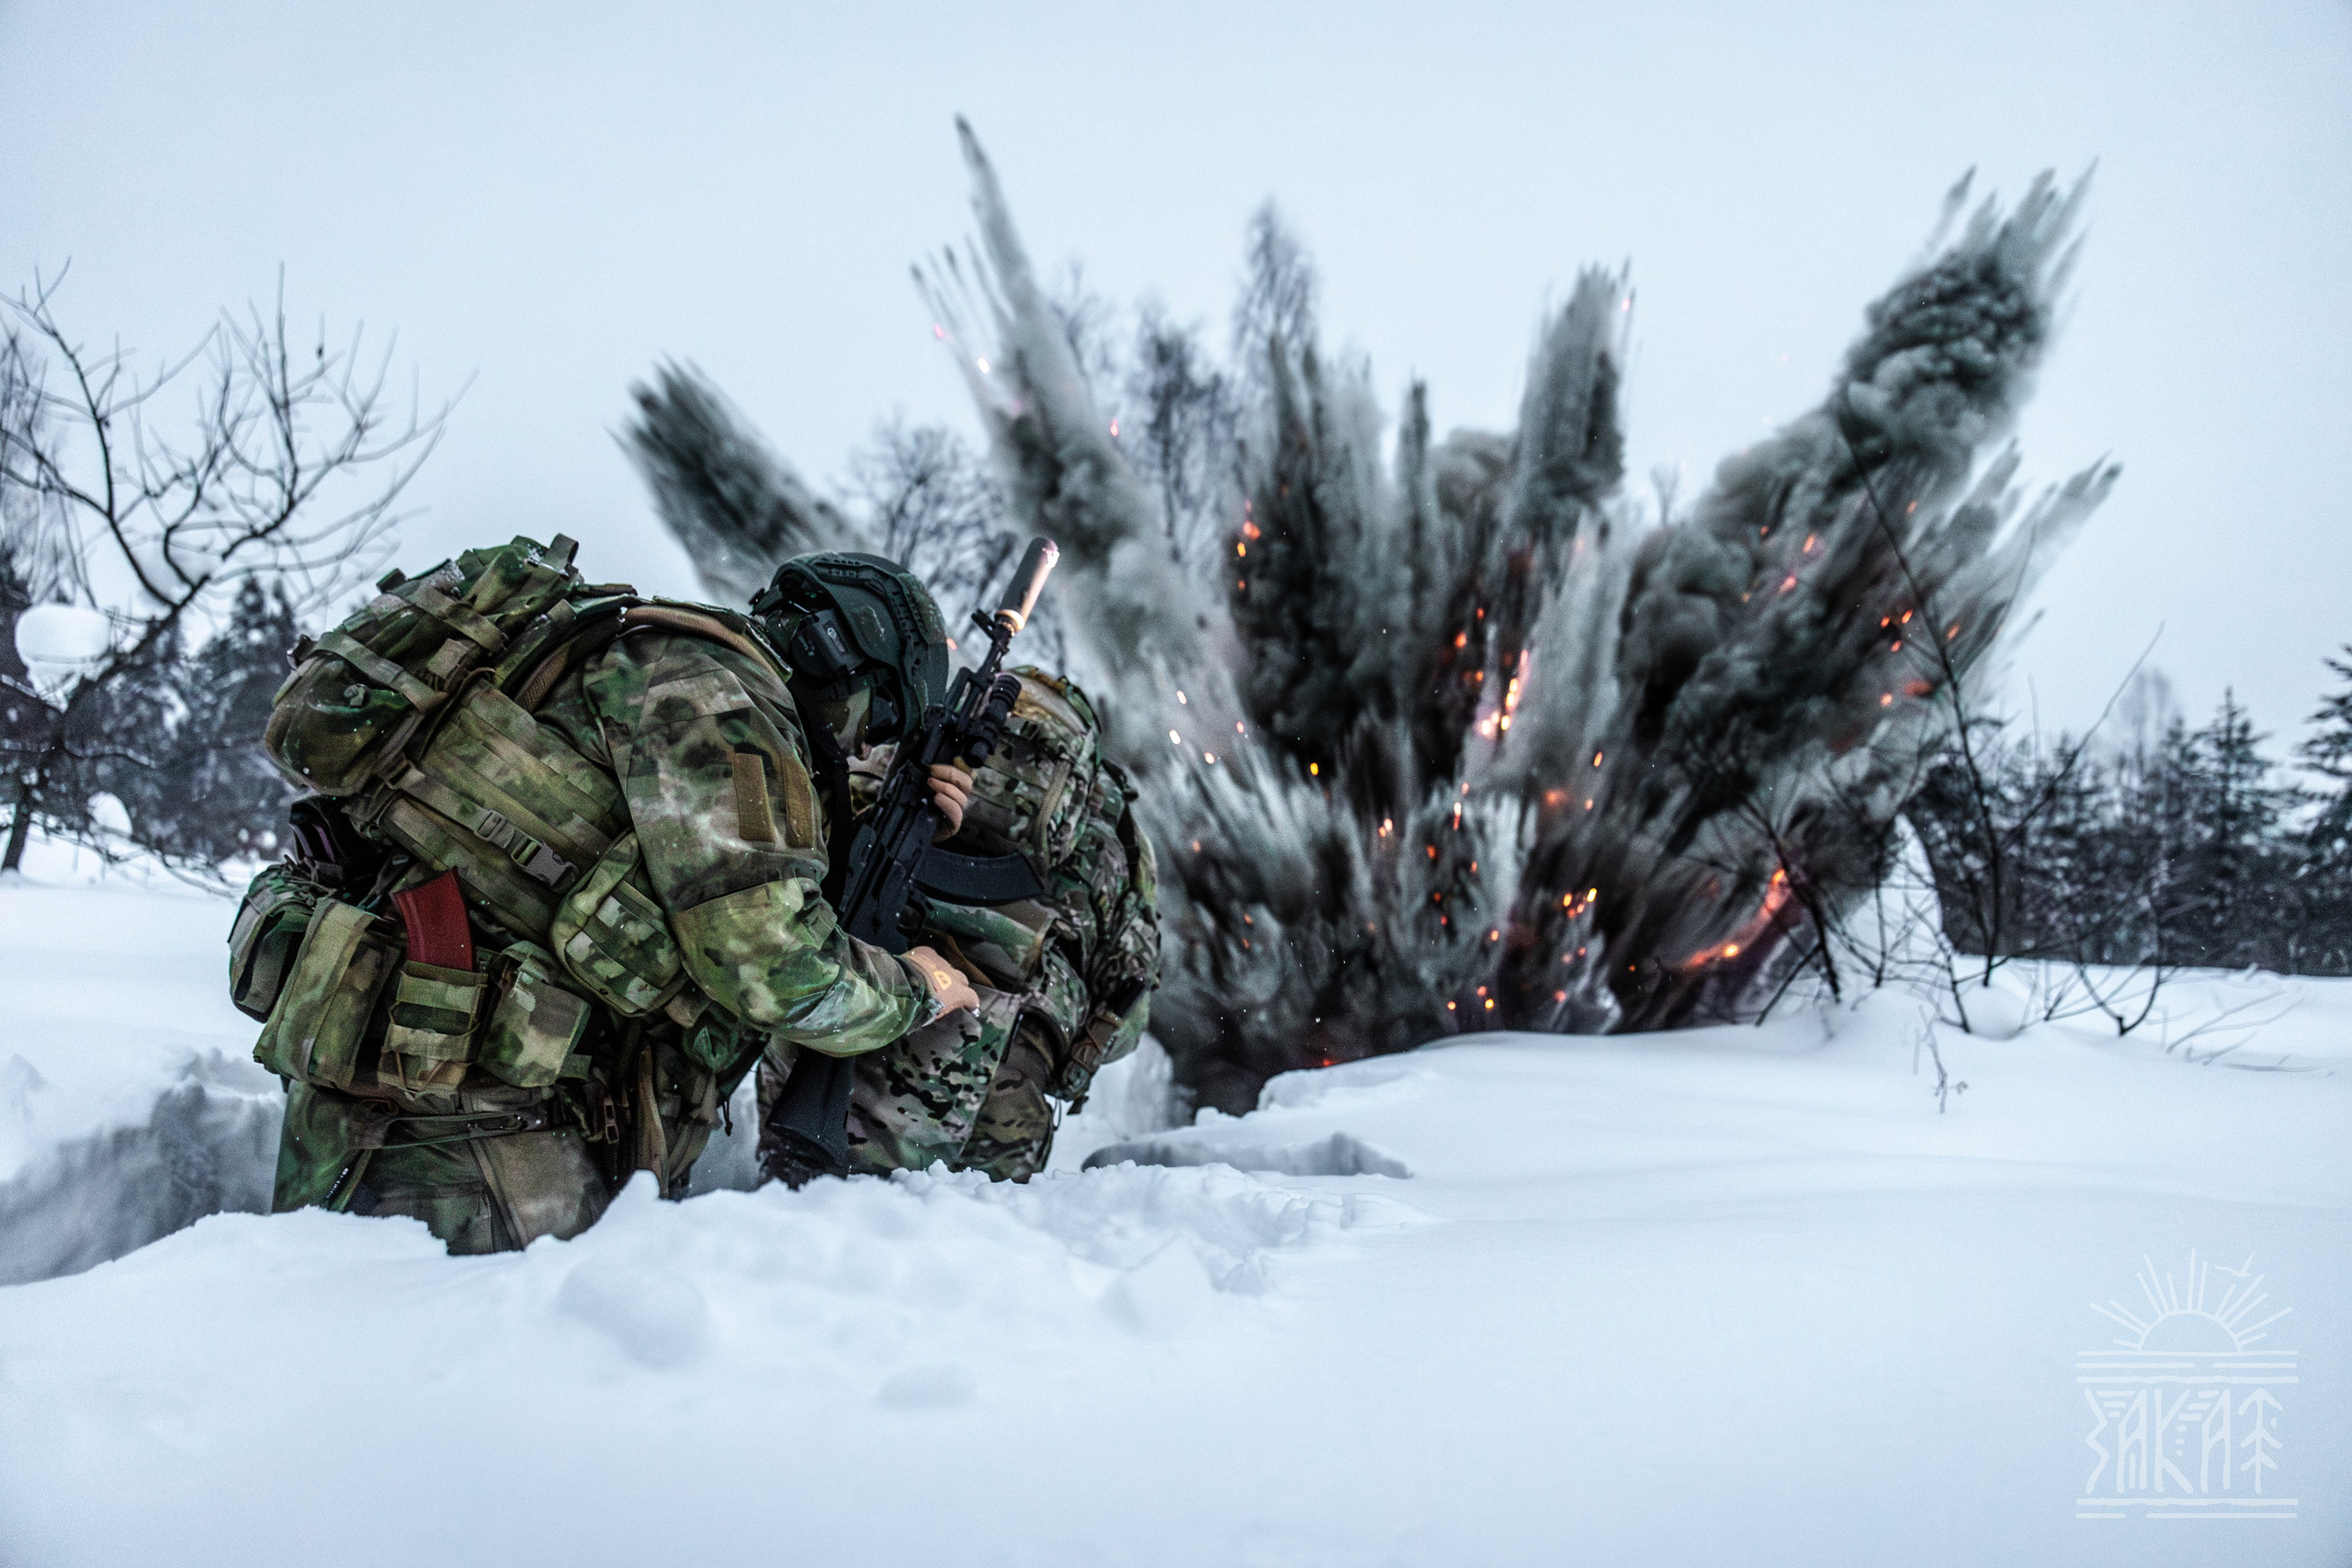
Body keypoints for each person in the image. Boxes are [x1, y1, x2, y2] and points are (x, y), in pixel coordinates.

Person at [232, 535, 976, 1253]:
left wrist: (879, 817)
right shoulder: (720, 702)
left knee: (340, 1326)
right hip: (479, 1142)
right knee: (454, 1340)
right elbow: (773, 965)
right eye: (879, 718)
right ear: (840, 656)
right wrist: (919, 986)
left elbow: (666, 848)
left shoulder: (653, 660)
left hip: (411, 1094)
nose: (862, 745)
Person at [758, 665, 1159, 1184]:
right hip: (1000, 1094)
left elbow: (804, 856)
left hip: (844, 1019)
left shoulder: (901, 745)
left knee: (788, 1212)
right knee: (974, 1227)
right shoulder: (1117, 837)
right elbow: (1127, 1018)